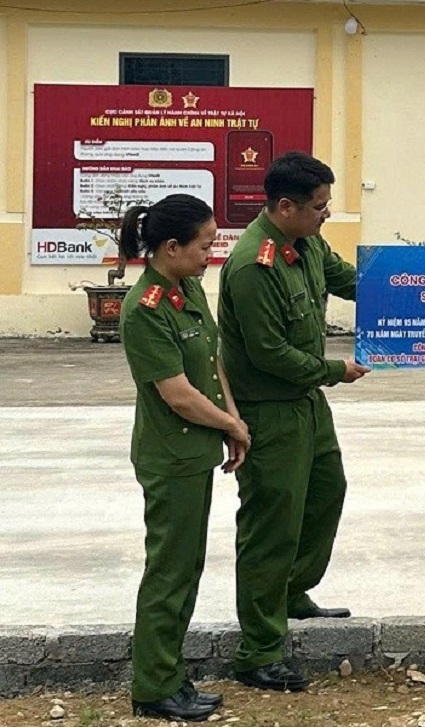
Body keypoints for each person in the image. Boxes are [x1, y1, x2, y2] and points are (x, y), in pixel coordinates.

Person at [218, 151, 370, 692]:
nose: (325, 215)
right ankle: (257, 651)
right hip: (269, 410)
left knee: (326, 494)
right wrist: (336, 369)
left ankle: (292, 591)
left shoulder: (304, 243)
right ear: (286, 207)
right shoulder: (252, 266)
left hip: (307, 404)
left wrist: (419, 286)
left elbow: (351, 280)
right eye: (319, 207)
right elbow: (268, 354)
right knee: (270, 527)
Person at [119, 194, 250, 722]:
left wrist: (232, 423)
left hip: (196, 451)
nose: (210, 252)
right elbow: (177, 393)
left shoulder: (186, 287)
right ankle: (153, 687)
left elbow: (211, 365)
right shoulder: (144, 309)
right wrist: (231, 425)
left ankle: (171, 674)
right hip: (170, 457)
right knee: (169, 572)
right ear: (170, 248)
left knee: (187, 567)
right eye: (202, 244)